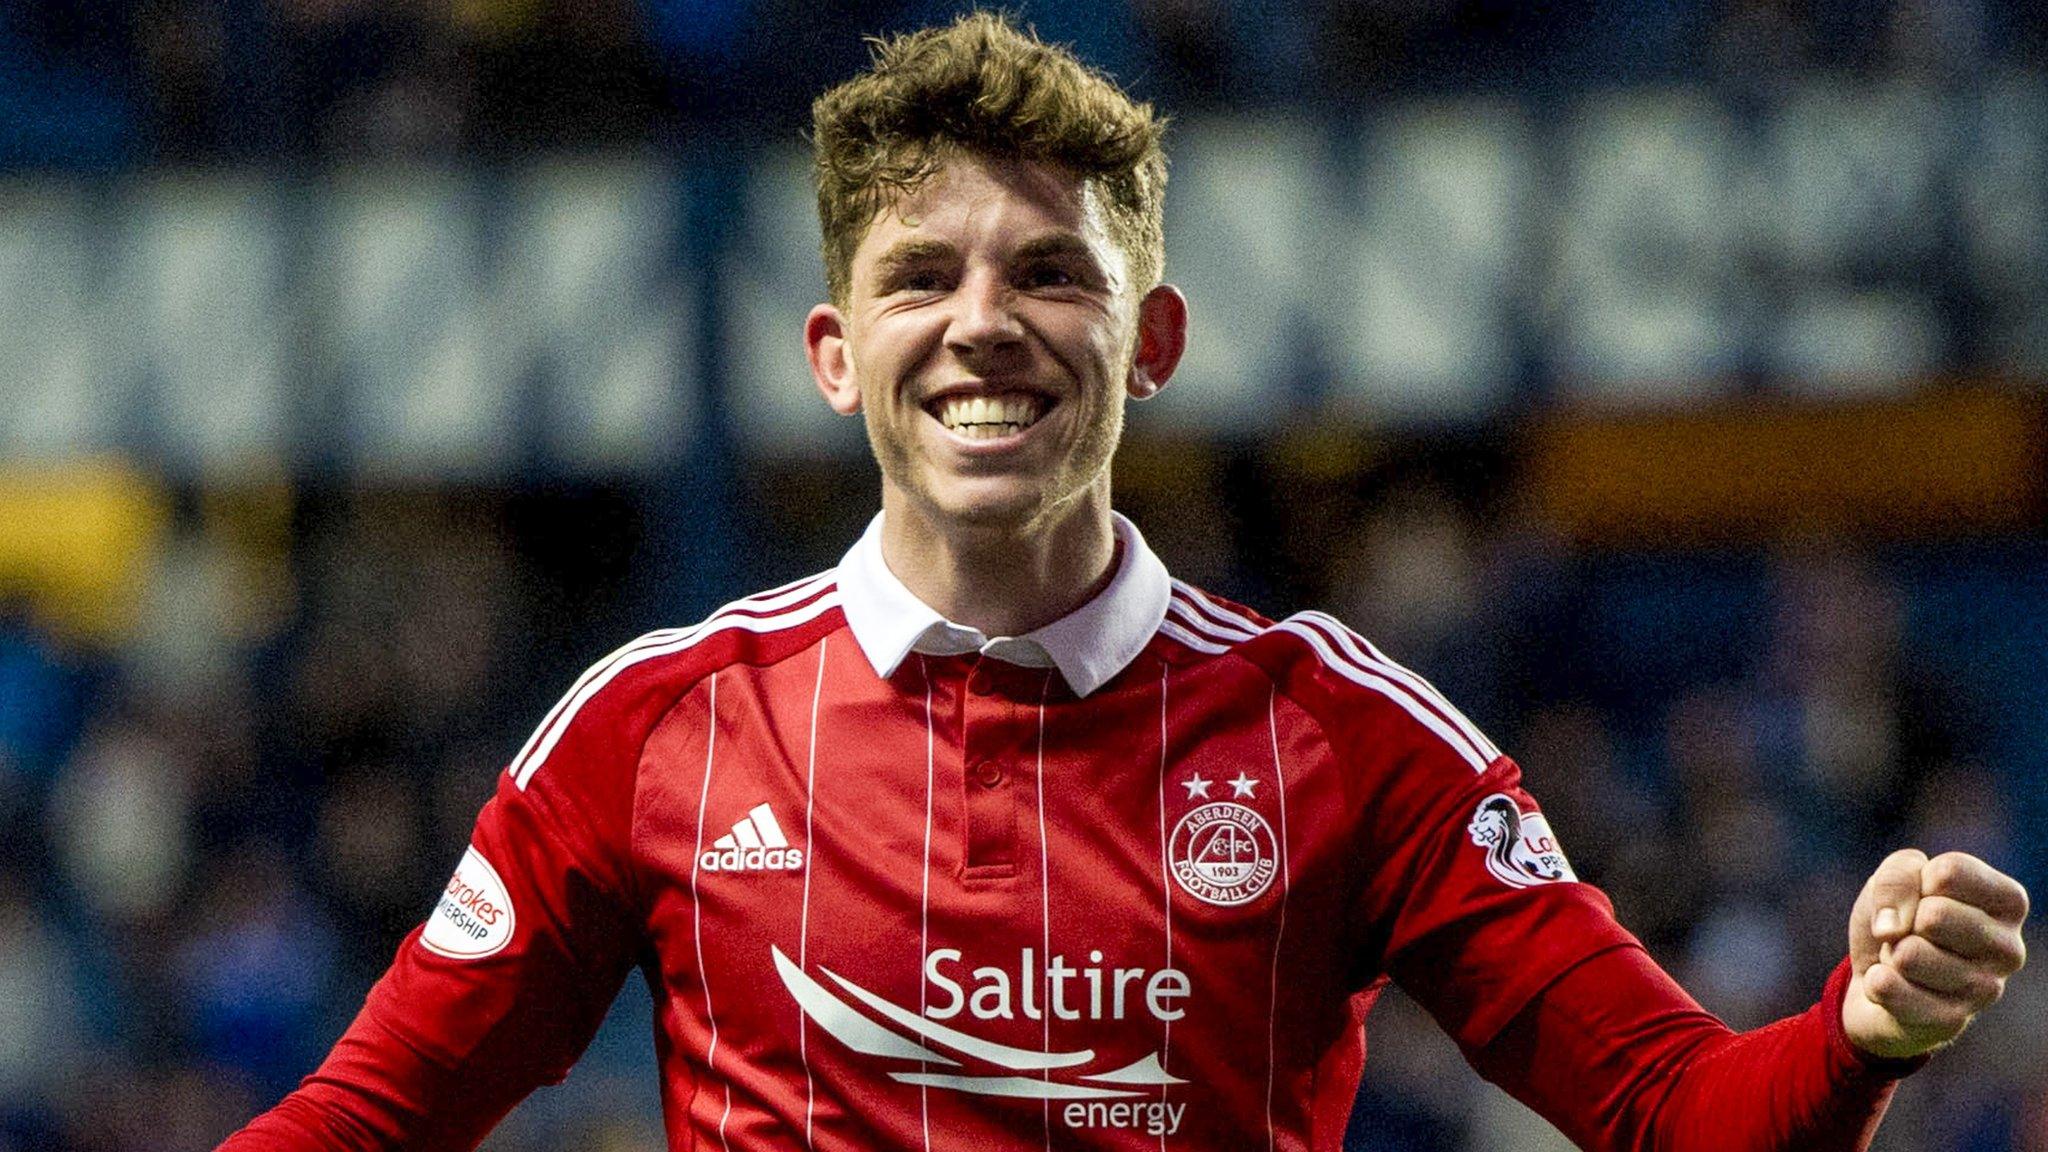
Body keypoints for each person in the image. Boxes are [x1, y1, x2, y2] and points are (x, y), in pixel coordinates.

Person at [221, 13, 2029, 1150]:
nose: (983, 324)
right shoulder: (652, 731)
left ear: (1151, 338)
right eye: (920, 275)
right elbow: (364, 1121)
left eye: (1049, 274)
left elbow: (1668, 1110)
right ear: (836, 355)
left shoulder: (1344, 737)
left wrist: (1858, 1038)